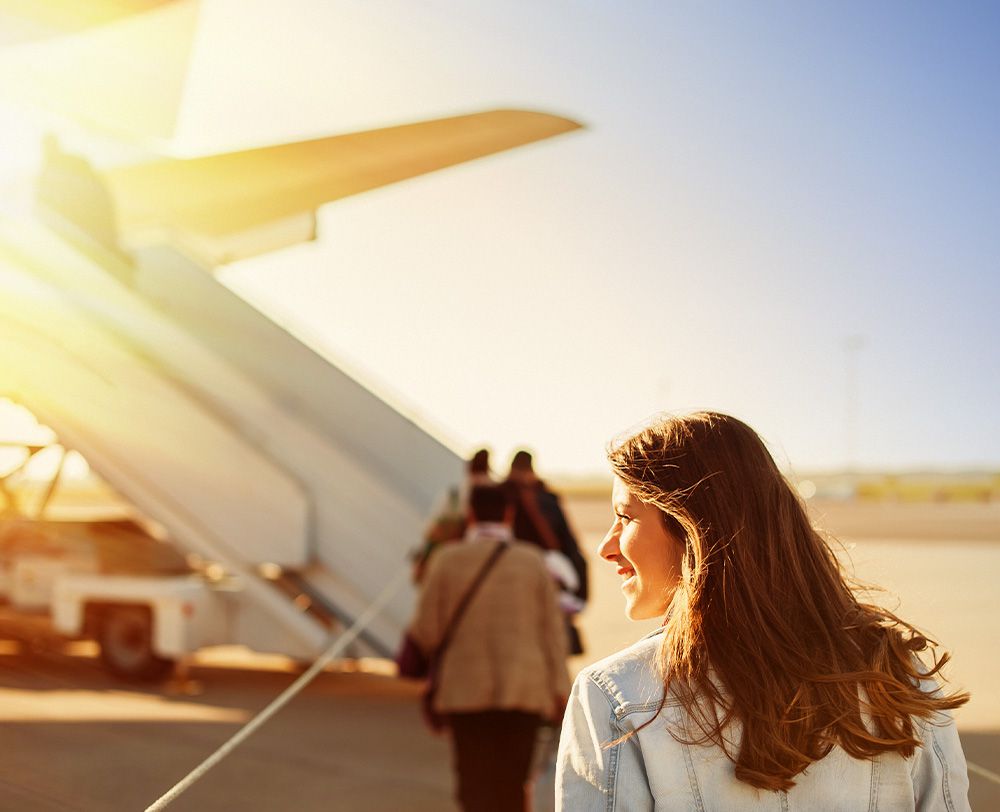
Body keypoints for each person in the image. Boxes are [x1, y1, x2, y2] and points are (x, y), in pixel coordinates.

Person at [556, 412, 971, 810]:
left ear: (694, 526)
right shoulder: (898, 677)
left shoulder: (618, 695)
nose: (606, 547)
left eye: (625, 517)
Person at [409, 484, 570, 812]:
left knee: (473, 783)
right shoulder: (533, 562)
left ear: (470, 515)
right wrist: (560, 689)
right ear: (509, 515)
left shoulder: (447, 561)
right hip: (524, 688)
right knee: (512, 784)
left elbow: (426, 631)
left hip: (466, 691)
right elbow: (553, 634)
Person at [505, 450, 589, 654]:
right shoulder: (546, 499)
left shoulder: (502, 498)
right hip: (550, 582)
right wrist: (577, 596)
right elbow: (570, 546)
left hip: (511, 581)